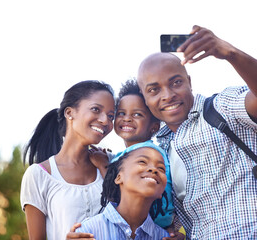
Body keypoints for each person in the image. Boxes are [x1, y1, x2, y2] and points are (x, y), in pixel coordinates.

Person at [137, 25, 257, 239]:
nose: (167, 95)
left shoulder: (221, 108)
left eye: (176, 82)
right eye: (154, 90)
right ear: (145, 98)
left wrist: (231, 53)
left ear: (189, 82)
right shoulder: (159, 151)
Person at [67, 80, 183, 240]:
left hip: (148, 226)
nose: (127, 119)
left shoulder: (152, 154)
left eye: (137, 114)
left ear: (154, 127)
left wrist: (103, 165)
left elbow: (119, 192)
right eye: (121, 113)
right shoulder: (128, 154)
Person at [20, 80, 115, 240]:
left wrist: (106, 168)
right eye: (95, 109)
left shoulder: (112, 162)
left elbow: (131, 218)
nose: (105, 120)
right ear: (69, 112)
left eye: (111, 116)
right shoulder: (39, 175)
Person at [75, 141, 171, 239]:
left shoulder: (163, 237)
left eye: (161, 168)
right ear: (118, 177)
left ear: (162, 191)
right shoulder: (88, 231)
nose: (153, 169)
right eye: (142, 162)